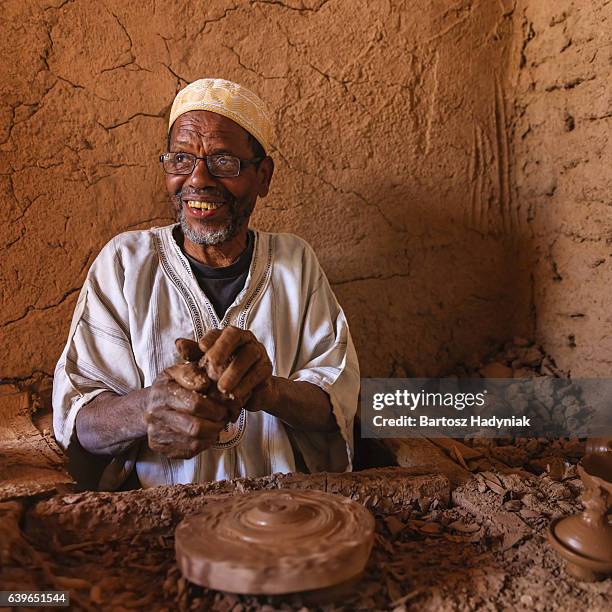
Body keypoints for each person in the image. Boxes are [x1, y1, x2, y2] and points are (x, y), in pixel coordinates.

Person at [52, 78, 360, 489]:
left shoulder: (295, 263)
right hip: (156, 521)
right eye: (180, 159)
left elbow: (337, 402)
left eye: (224, 162)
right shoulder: (126, 263)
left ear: (263, 176)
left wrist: (270, 392)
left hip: (282, 516)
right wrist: (148, 408)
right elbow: (78, 419)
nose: (198, 180)